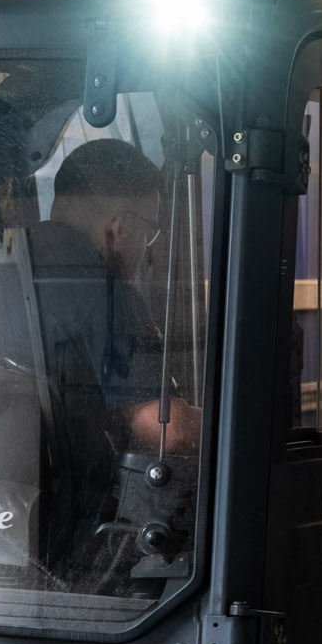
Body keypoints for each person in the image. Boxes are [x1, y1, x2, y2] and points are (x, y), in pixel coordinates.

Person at [28, 138, 202, 452]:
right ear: (122, 229)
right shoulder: (110, 298)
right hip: (81, 483)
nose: (147, 247)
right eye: (149, 231)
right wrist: (221, 422)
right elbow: (165, 428)